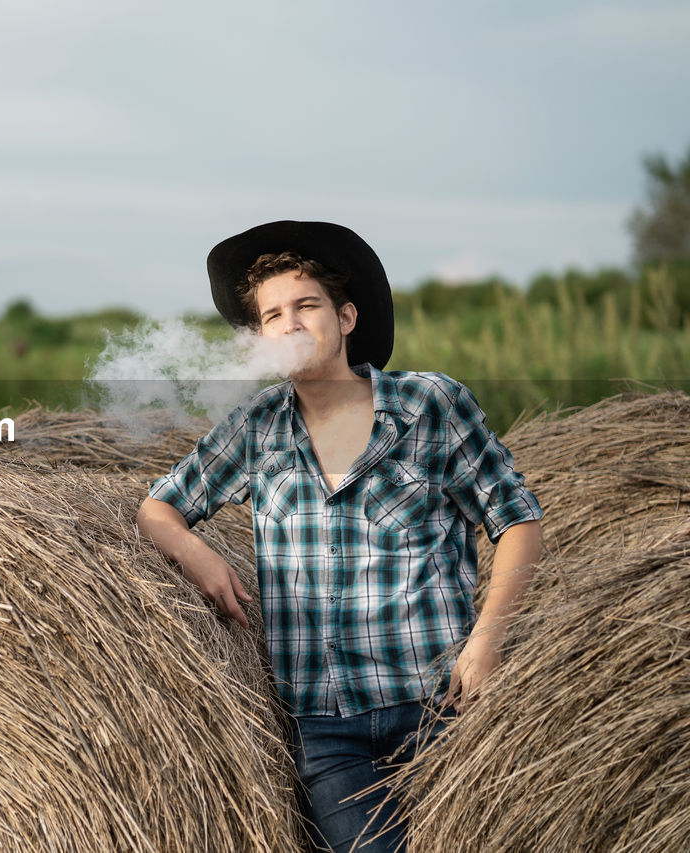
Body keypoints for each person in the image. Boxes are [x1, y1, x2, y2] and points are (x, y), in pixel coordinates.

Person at [135, 220, 543, 852]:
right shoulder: (256, 428)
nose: (290, 323)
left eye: (306, 306)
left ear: (346, 317)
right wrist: (198, 556)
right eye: (272, 316)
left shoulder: (429, 405)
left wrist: (488, 642)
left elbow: (516, 519)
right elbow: (157, 510)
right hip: (327, 734)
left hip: (441, 707)